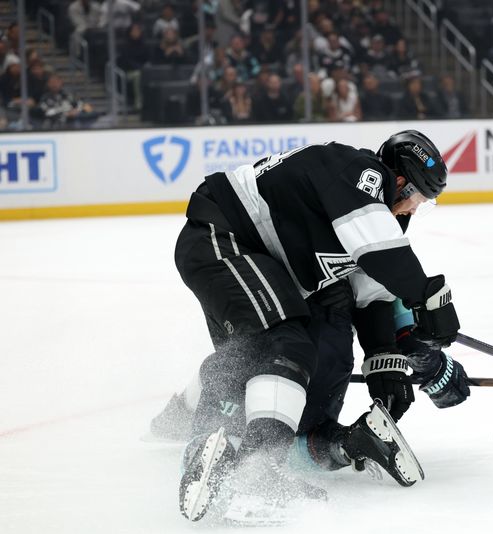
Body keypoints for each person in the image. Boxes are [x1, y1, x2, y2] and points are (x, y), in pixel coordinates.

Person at [167, 130, 464, 521]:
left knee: (250, 363)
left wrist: (384, 359)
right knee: (286, 344)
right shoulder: (361, 172)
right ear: (399, 180)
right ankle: (257, 475)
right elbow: (385, 258)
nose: (411, 210)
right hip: (222, 238)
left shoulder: (373, 216)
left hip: (240, 254)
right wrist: (427, 295)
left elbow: (372, 295)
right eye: (416, 198)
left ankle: (212, 447)